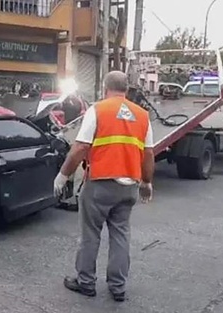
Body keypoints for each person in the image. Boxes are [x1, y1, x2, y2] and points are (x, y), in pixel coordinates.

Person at [53, 71, 155, 302]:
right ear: (127, 89)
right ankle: (118, 287)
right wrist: (146, 182)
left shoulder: (98, 110)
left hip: (100, 183)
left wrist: (63, 175)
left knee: (90, 234)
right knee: (120, 235)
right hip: (129, 185)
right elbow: (148, 153)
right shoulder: (142, 115)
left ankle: (86, 282)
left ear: (105, 87)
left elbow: (80, 147)